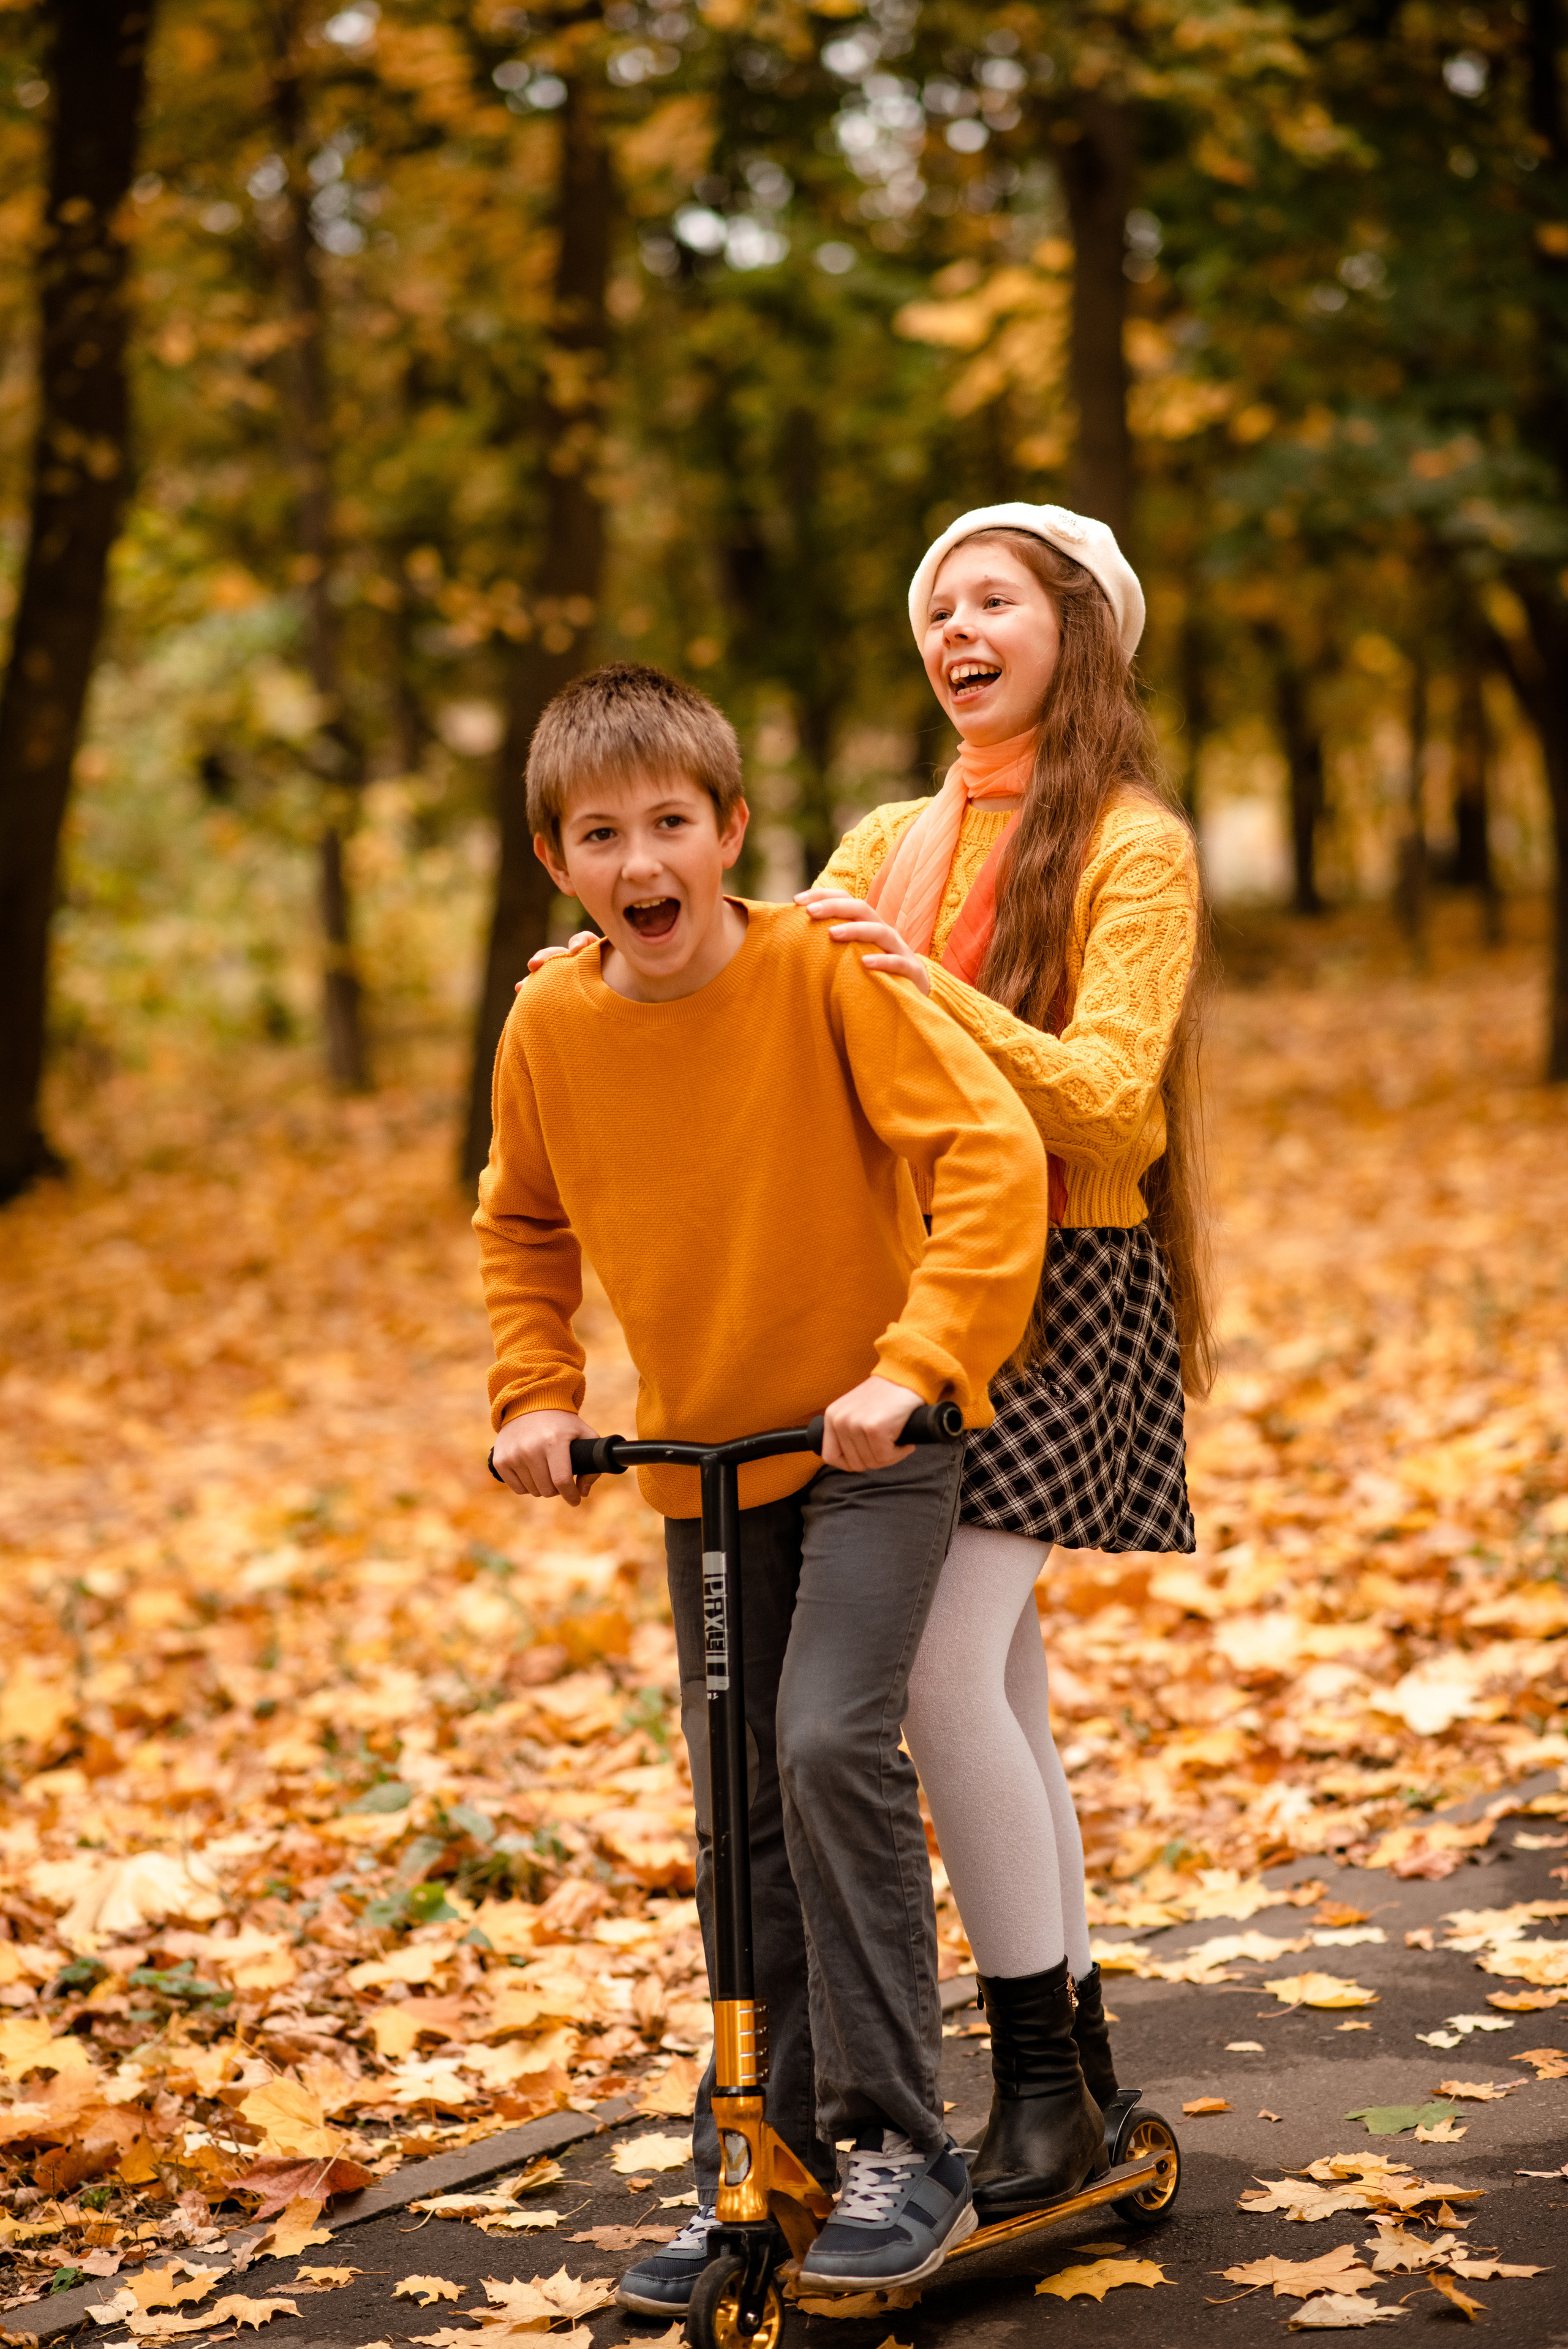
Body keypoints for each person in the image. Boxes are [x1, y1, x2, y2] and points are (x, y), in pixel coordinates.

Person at [475, 661, 1050, 2311]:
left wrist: (915, 1358)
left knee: (821, 1741)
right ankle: (769, 2151)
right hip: (704, 1473)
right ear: (558, 860)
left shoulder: (817, 972)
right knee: (735, 1812)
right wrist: (536, 1391)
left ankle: (898, 2144)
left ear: (729, 829)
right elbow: (522, 1223)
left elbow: (987, 1157)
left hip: (877, 1445)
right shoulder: (550, 1021)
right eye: (603, 832)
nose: (641, 858)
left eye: (672, 821)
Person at [799, 501, 1212, 2220]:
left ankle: (1040, 2085)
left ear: (1078, 630)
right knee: (1003, 1682)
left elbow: (1116, 1096)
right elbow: (767, 986)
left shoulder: (1134, 841)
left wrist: (923, 987)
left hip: (1068, 1284)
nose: (957, 625)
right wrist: (613, 974)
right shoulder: (885, 833)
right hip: (920, 1292)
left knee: (938, 1669)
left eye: (997, 599)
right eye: (938, 603)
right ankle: (1083, 2059)